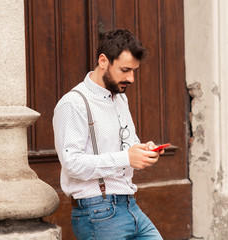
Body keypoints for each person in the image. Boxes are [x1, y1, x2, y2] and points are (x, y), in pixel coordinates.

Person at [53, 29, 163, 240]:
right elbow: (71, 163)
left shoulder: (120, 98)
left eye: (134, 71)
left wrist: (142, 150)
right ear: (103, 61)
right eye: (125, 70)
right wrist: (126, 157)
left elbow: (128, 145)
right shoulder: (73, 104)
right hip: (98, 211)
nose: (131, 78)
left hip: (130, 205)